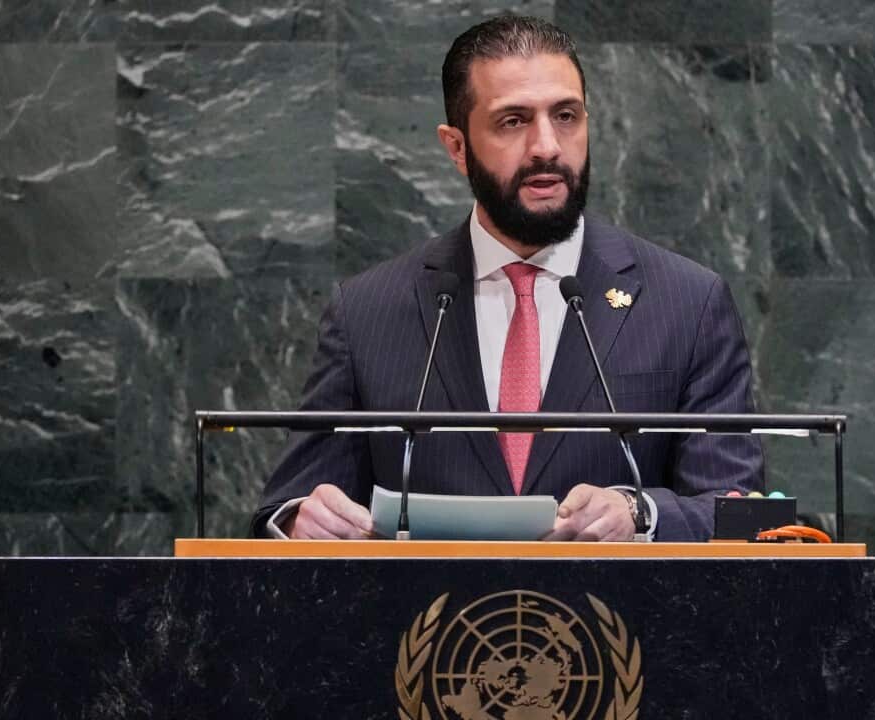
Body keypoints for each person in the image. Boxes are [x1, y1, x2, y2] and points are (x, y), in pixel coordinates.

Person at [253, 15, 763, 542]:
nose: (547, 145)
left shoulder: (688, 303)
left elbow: (738, 511)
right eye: (513, 121)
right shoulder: (367, 312)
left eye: (566, 115)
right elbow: (293, 504)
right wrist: (298, 519)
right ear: (456, 148)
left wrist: (640, 513)